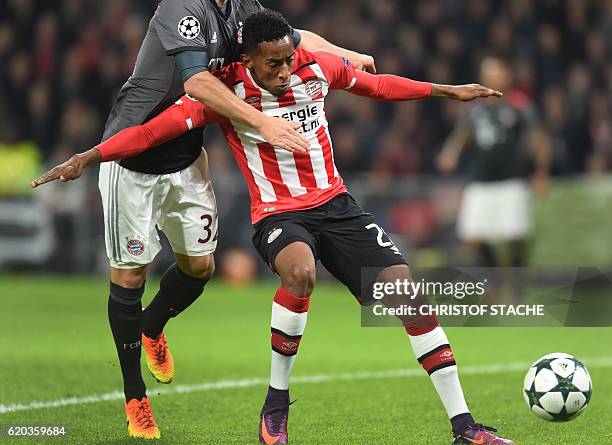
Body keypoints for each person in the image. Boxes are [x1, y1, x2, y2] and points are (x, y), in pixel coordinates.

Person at [33, 10, 513, 445]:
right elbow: (153, 130)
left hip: (338, 205)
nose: (285, 71)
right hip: (279, 215)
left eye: (288, 59)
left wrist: (448, 91)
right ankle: (276, 404)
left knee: (406, 293)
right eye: (274, 64)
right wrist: (89, 157)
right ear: (247, 59)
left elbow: (380, 85)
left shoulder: (314, 67)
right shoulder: (224, 91)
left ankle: (464, 426)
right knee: (300, 273)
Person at [32, 0, 374, 440]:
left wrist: (349, 56)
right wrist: (260, 123)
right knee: (130, 277)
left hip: (187, 157)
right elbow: (197, 81)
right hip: (133, 159)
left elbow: (296, 38)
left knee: (201, 268)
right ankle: (135, 395)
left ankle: (152, 326)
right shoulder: (181, 8)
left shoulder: (242, 7)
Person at [437, 57, 549, 280]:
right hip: (481, 181)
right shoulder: (474, 109)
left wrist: (541, 172)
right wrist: (450, 153)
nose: (492, 78)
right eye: (487, 74)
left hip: (512, 180)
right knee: (473, 237)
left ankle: (518, 284)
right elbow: (462, 136)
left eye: (496, 73)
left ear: (506, 75)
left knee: (516, 236)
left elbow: (539, 140)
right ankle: (495, 277)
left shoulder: (520, 105)